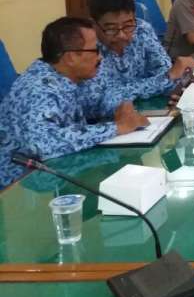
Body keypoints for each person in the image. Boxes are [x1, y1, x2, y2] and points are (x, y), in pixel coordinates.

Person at [0, 17, 148, 186]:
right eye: (95, 50)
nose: (100, 57)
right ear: (70, 57)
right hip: (20, 187)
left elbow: (100, 98)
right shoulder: (38, 89)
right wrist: (117, 127)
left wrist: (121, 106)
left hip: (61, 171)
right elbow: (42, 144)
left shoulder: (72, 76)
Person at [83, 0, 194, 105]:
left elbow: (167, 73)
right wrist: (165, 80)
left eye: (128, 26)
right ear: (94, 25)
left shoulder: (142, 29)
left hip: (150, 111)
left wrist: (179, 80)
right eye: (111, 28)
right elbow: (103, 98)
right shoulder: (86, 48)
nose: (122, 35)